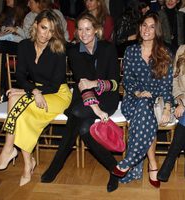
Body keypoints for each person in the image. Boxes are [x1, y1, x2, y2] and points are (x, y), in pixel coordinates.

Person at [0, 9, 72, 187]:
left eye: (50, 30)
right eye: (43, 28)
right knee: (16, 103)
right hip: (38, 92)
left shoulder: (58, 49)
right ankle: (26, 163)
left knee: (15, 101)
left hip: (58, 95)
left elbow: (56, 85)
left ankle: (9, 151)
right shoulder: (24, 46)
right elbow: (20, 75)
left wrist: (28, 92)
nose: (46, 34)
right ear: (35, 25)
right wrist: (32, 91)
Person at [41, 13, 123, 193]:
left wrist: (96, 85)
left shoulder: (108, 48)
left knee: (75, 113)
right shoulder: (73, 52)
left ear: (96, 30)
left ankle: (56, 165)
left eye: (88, 29)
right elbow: (82, 84)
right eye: (80, 29)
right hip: (85, 98)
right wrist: (96, 109)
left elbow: (115, 83)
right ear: (76, 32)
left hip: (107, 98)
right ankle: (114, 168)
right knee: (84, 128)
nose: (84, 33)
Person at [115, 12, 173, 187]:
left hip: (156, 101)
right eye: (144, 26)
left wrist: (167, 107)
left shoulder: (165, 53)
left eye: (151, 26)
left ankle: (129, 162)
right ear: (139, 28)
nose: (147, 29)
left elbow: (167, 85)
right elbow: (127, 80)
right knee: (143, 108)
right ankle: (152, 163)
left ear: (157, 30)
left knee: (145, 113)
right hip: (133, 98)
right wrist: (139, 92)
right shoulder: (130, 51)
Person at [157, 44, 185, 182]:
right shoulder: (182, 49)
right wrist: (180, 101)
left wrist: (184, 103)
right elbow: (174, 80)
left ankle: (168, 163)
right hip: (181, 100)